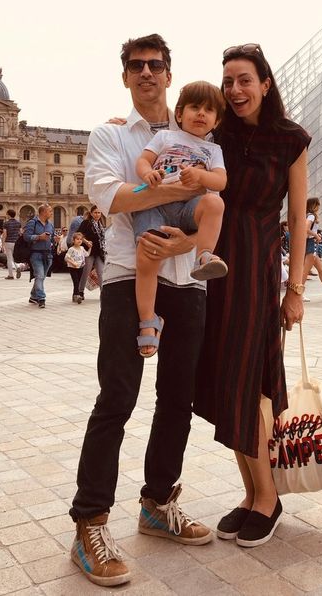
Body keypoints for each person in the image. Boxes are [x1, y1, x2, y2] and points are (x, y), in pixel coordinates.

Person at [69, 34, 213, 588]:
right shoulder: (109, 134)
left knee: (178, 399)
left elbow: (212, 202)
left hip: (186, 279)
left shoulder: (200, 133)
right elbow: (114, 199)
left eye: (156, 65)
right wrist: (165, 189)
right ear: (125, 76)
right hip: (131, 278)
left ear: (170, 75)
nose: (147, 73)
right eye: (137, 66)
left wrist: (182, 235)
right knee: (118, 397)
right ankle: (89, 521)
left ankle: (157, 503)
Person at [194, 42, 309, 548]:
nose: (234, 90)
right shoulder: (216, 136)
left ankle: (268, 498)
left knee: (245, 382)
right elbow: (175, 145)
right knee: (224, 380)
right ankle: (250, 493)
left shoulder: (291, 140)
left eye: (244, 80)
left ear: (265, 83)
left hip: (258, 271)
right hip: (216, 271)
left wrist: (295, 288)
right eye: (228, 82)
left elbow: (299, 218)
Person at [133, 81, 227, 357]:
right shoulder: (165, 138)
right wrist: (147, 173)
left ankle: (205, 255)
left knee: (214, 202)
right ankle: (149, 321)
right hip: (156, 205)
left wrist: (201, 177)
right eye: (195, 107)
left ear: (216, 121)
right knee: (146, 256)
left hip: (188, 208)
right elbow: (143, 160)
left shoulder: (214, 150)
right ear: (179, 113)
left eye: (209, 111)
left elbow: (220, 181)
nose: (201, 114)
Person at [23, 204, 54, 309]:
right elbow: (26, 237)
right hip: (36, 253)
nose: (51, 213)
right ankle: (41, 298)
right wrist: (39, 237)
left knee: (41, 277)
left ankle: (33, 296)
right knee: (40, 276)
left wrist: (55, 240)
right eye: (50, 211)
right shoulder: (33, 223)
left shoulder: (50, 225)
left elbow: (52, 238)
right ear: (43, 212)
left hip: (48, 254)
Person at [77, 206, 106, 301]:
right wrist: (86, 242)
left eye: (99, 213)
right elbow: (79, 234)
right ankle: (80, 291)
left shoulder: (101, 224)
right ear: (91, 213)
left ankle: (103, 293)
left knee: (101, 272)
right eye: (95, 213)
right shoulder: (86, 223)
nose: (97, 215)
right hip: (89, 251)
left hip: (99, 251)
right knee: (86, 271)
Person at [65, 232, 90, 303]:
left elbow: (87, 254)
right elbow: (66, 258)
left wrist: (90, 247)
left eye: (80, 239)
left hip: (80, 267)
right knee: (76, 282)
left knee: (78, 282)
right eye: (77, 239)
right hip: (73, 268)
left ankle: (74, 295)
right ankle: (77, 296)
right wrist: (73, 263)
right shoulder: (71, 249)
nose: (79, 240)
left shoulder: (82, 248)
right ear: (73, 240)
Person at [3, 209, 23, 279]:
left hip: (8, 242)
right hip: (16, 242)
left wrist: (3, 243)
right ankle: (18, 267)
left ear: (8, 215)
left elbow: (5, 234)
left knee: (9, 258)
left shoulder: (6, 223)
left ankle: (11, 275)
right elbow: (21, 233)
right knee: (15, 257)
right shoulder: (18, 223)